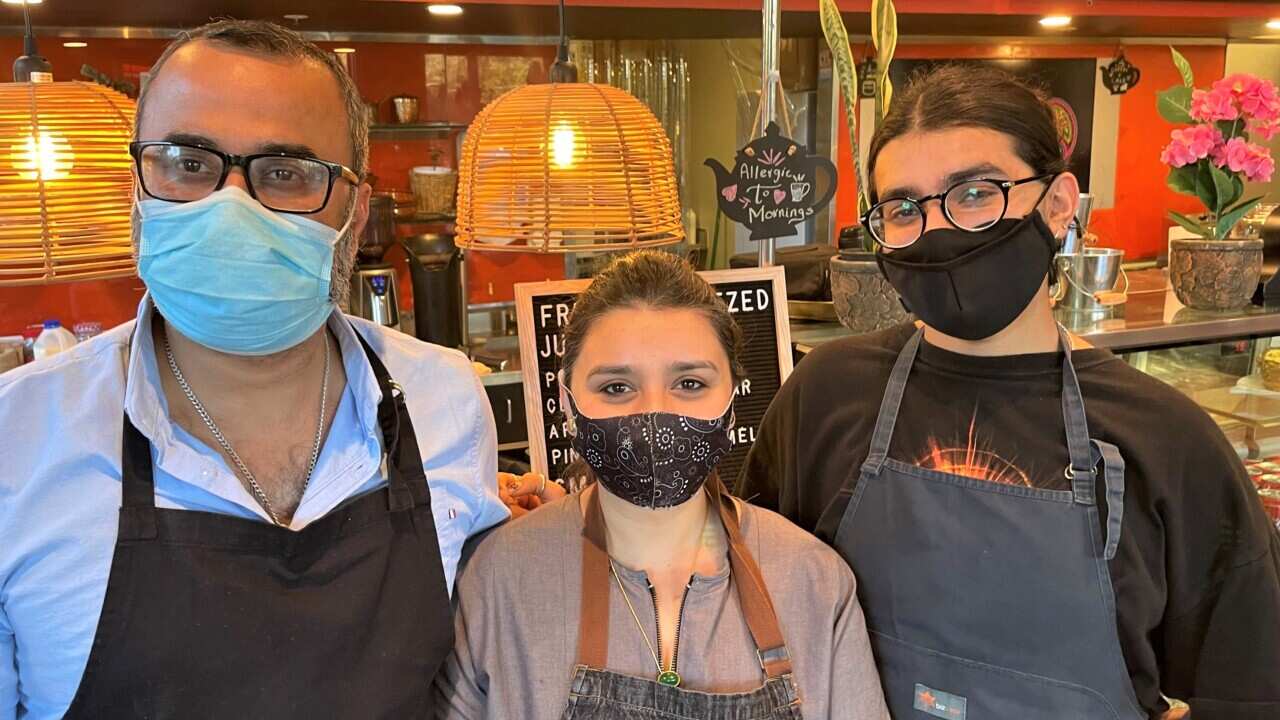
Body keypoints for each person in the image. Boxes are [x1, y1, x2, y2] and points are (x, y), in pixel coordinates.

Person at [739, 64, 1280, 719]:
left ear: (1057, 204)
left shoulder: (1166, 438)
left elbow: (1244, 690)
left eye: (975, 193)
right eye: (903, 208)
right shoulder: (825, 395)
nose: (937, 230)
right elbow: (752, 599)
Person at [0, 20, 507, 719]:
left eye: (286, 173)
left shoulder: (444, 400)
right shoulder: (17, 437)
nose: (229, 206)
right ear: (136, 189)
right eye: (188, 163)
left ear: (357, 212)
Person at [434, 251, 890, 719]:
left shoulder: (814, 583)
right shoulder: (498, 581)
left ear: (732, 399)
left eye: (689, 383)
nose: (654, 412)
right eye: (616, 387)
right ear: (568, 403)